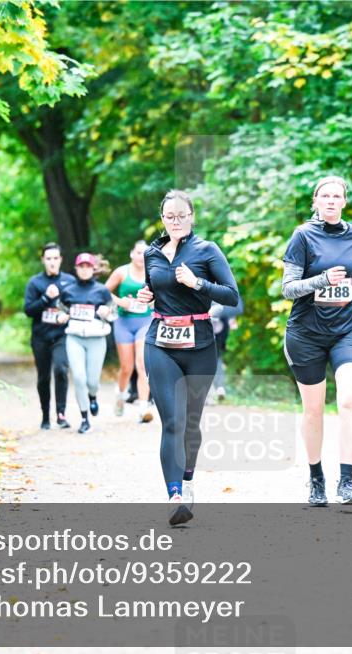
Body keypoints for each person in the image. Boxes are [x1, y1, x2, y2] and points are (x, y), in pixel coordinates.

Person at [137, 190, 239, 525]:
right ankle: (175, 495)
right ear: (162, 218)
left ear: (192, 216)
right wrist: (146, 294)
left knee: (191, 423)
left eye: (182, 215)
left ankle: (189, 477)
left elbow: (232, 295)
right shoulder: (153, 253)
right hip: (161, 342)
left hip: (200, 345)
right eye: (170, 216)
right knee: (173, 422)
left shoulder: (207, 250)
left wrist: (198, 283)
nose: (176, 220)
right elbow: (154, 290)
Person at [281, 176, 352, 506]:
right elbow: (287, 288)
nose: (332, 201)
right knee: (314, 410)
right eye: (325, 196)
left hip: (348, 329)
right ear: (316, 202)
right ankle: (316, 479)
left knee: (348, 399)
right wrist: (321, 280)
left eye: (337, 196)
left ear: (345, 202)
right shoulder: (303, 236)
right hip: (306, 333)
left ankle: (347, 482)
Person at [58, 253, 116, 434]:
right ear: (76, 269)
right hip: (74, 338)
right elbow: (60, 311)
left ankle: (93, 396)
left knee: (92, 381)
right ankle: (84, 419)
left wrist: (107, 312)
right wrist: (61, 317)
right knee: (78, 378)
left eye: (87, 266)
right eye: (80, 267)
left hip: (96, 339)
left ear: (93, 269)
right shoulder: (68, 290)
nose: (84, 270)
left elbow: (114, 314)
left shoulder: (102, 291)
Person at [24, 243, 76, 430]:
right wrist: (45, 298)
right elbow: (28, 310)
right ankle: (45, 416)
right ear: (43, 261)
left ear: (60, 260)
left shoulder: (70, 281)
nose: (52, 262)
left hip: (62, 335)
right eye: (48, 259)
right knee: (43, 377)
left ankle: (61, 414)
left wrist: (68, 314)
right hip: (40, 337)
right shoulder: (35, 283)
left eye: (55, 258)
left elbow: (75, 306)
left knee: (61, 370)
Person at [105, 240, 154, 423]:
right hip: (124, 323)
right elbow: (101, 292)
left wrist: (151, 303)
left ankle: (143, 409)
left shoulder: (153, 272)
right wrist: (120, 302)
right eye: (139, 252)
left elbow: (162, 296)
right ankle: (120, 394)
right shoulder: (121, 272)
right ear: (132, 254)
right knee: (127, 367)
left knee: (142, 364)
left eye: (145, 253)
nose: (142, 257)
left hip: (145, 322)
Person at [209, 297, 244, 402]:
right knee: (216, 357)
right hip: (221, 326)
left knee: (208, 358)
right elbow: (238, 307)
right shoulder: (226, 283)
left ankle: (210, 393)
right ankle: (219, 387)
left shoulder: (200, 283)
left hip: (208, 326)